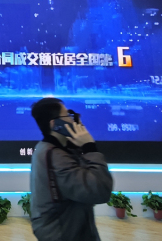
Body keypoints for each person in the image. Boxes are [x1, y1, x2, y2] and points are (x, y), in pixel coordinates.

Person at [29, 98, 114, 241]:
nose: (73, 119)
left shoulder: (50, 148)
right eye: (68, 115)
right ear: (55, 124)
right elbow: (100, 191)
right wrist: (90, 148)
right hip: (63, 233)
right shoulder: (56, 157)